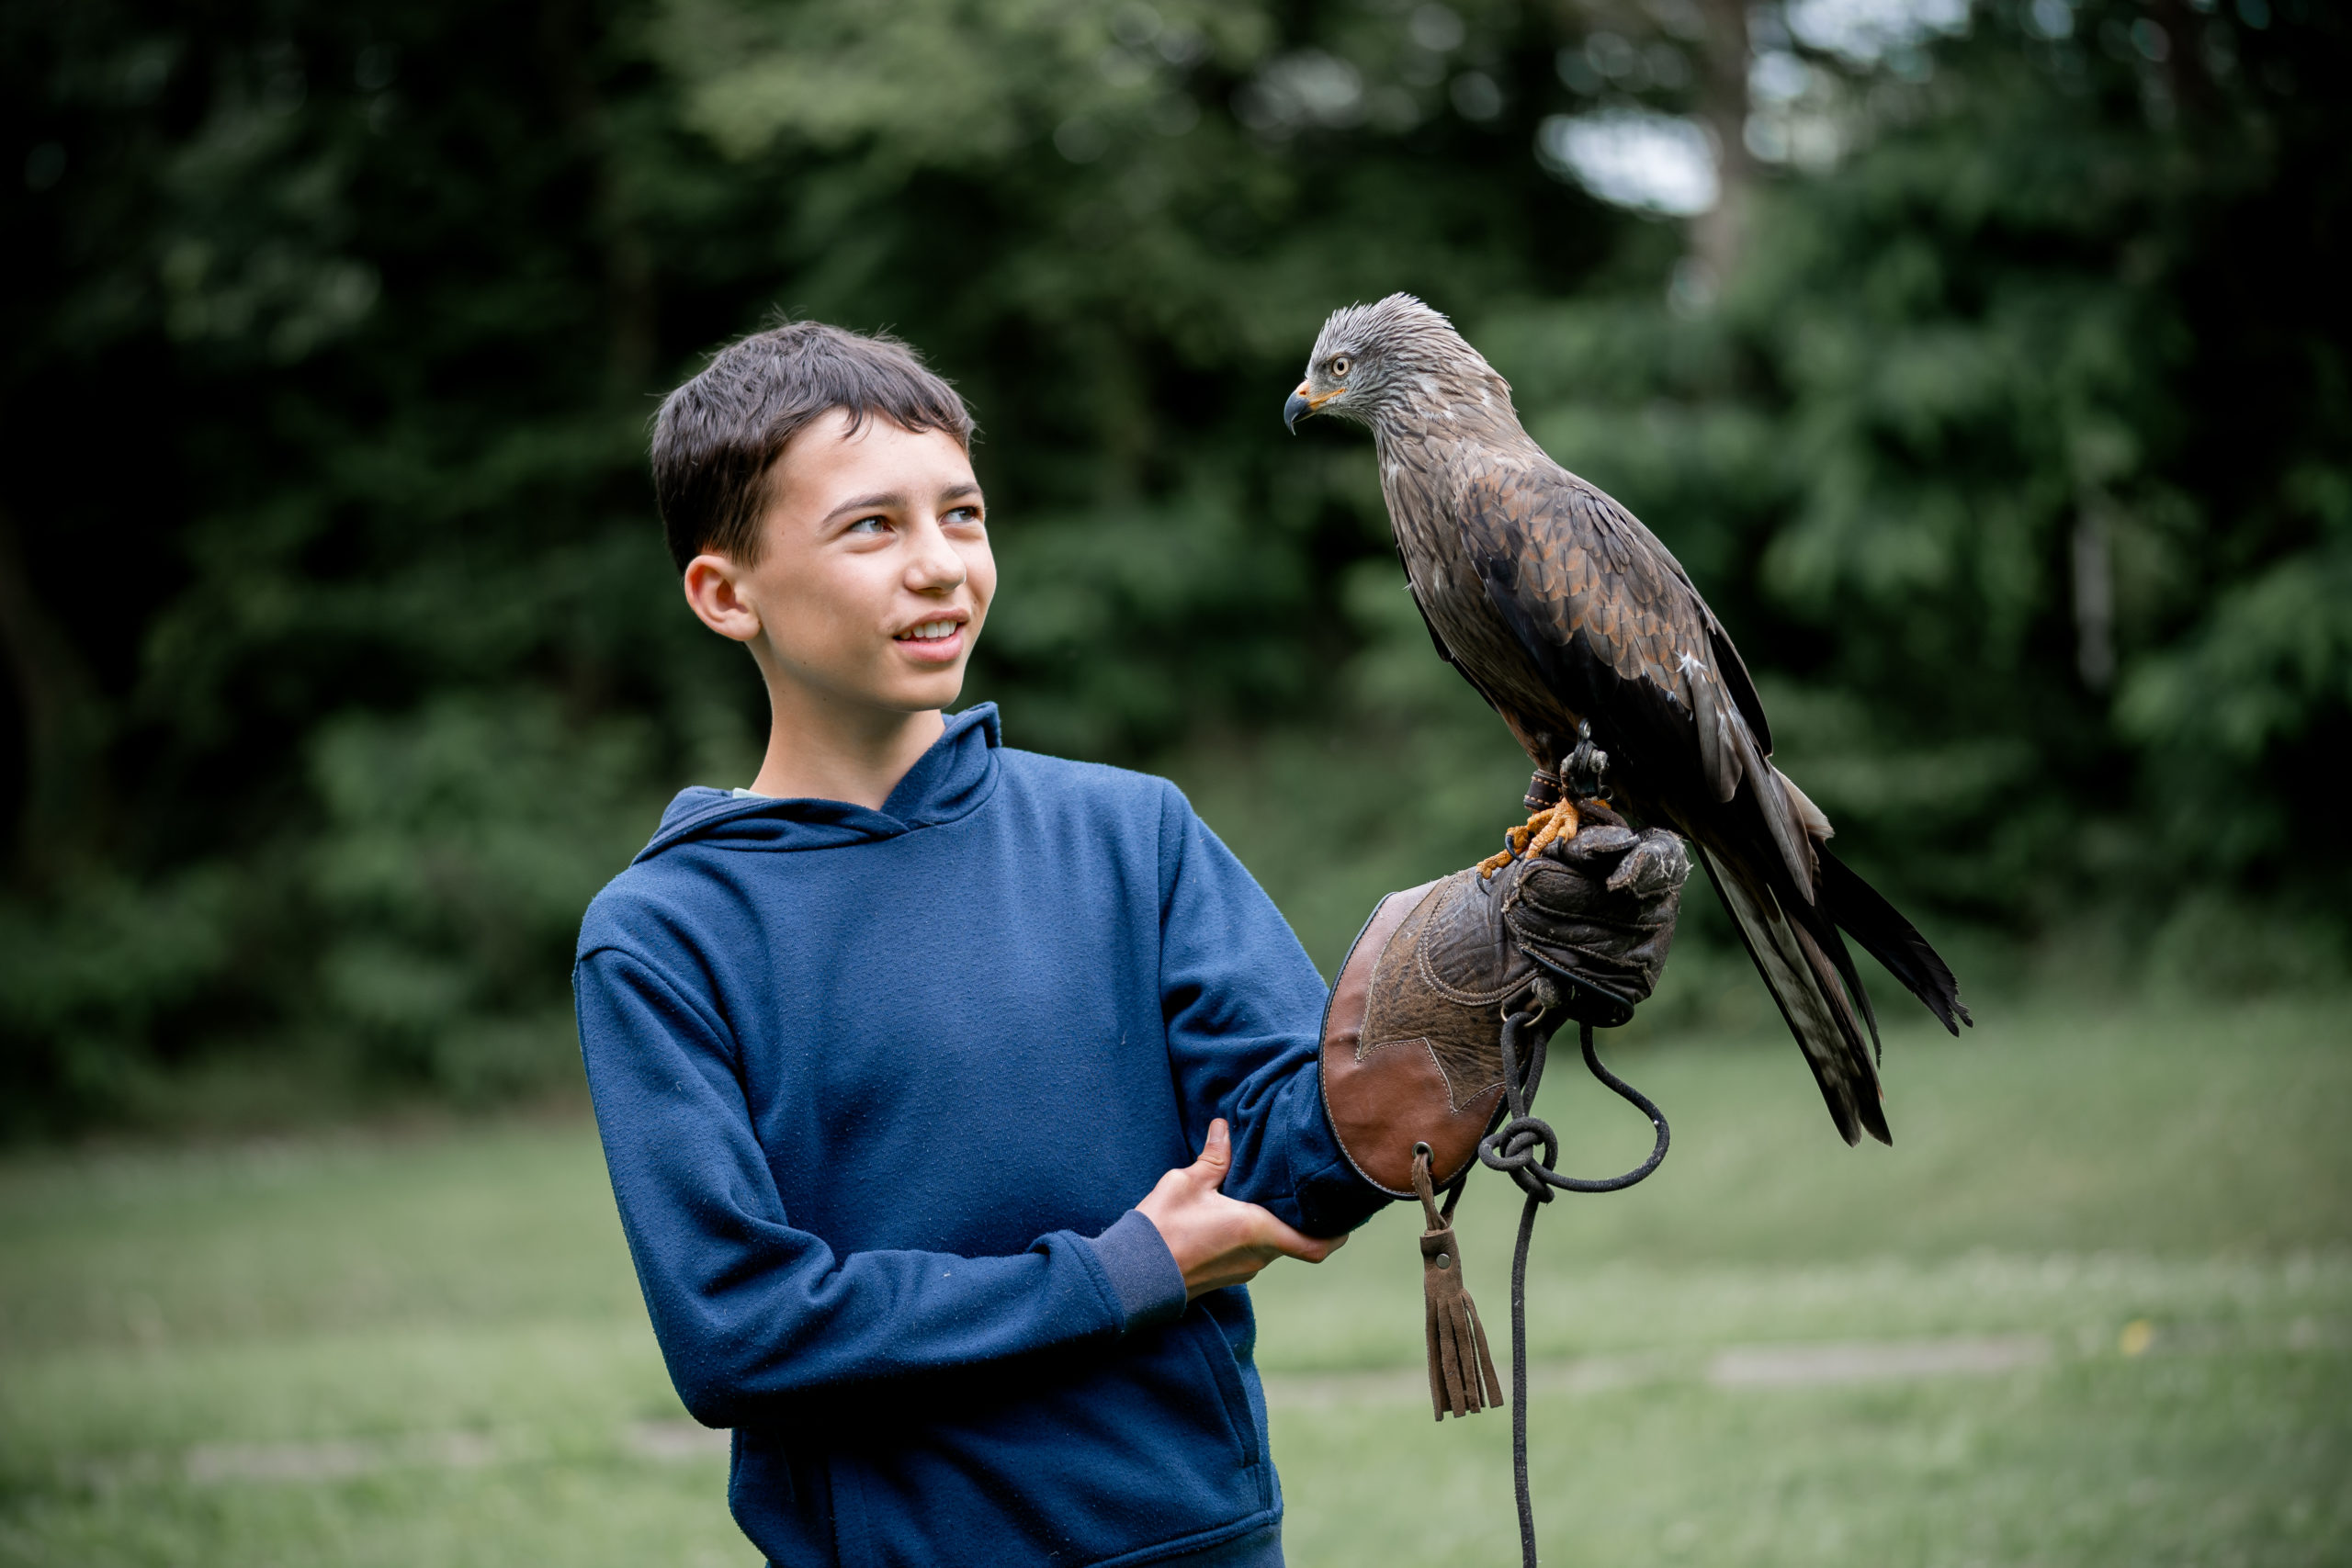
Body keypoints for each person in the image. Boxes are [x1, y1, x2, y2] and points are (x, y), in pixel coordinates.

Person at [572, 321, 1684, 1568]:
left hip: (1191, 1539)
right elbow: (739, 1332)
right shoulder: (665, 937)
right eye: (872, 528)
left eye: (964, 515)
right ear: (727, 594)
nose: (940, 565)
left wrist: (1480, 983)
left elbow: (1292, 1157)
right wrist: (1116, 1275)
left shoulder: (1129, 837)